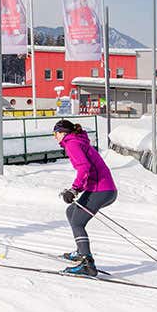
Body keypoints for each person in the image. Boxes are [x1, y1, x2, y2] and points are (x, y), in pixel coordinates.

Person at [53, 119, 117, 277]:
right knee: (71, 211)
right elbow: (89, 170)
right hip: (103, 188)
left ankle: (87, 263)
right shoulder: (78, 141)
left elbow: (84, 168)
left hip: (101, 190)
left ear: (63, 133)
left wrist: (74, 189)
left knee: (77, 221)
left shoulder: (72, 144)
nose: (55, 137)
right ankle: (81, 251)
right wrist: (76, 190)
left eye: (56, 133)